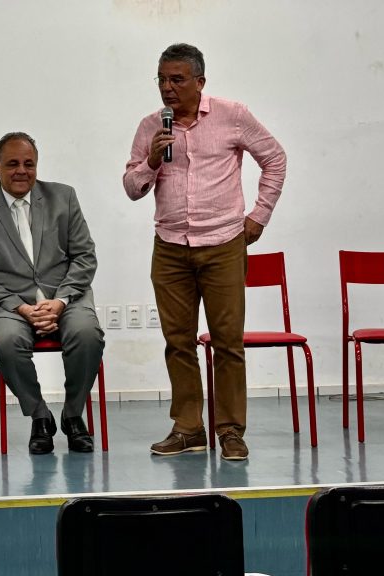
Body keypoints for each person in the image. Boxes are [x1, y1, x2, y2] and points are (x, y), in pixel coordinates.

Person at [123, 43, 287, 461]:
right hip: (170, 248)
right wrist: (152, 161)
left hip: (223, 245)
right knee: (178, 342)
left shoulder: (233, 115)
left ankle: (230, 430)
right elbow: (132, 188)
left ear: (200, 81)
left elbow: (275, 159)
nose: (167, 87)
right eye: (161, 79)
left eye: (176, 79)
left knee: (227, 342)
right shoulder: (151, 126)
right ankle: (188, 429)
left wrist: (259, 215)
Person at [0, 132, 104, 455]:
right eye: (12, 164)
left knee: (87, 333)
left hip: (66, 297)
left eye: (29, 164)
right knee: (6, 341)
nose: (21, 171)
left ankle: (73, 415)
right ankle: (39, 416)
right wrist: (22, 308)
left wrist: (60, 301)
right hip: (8, 304)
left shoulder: (63, 197)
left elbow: (85, 256)